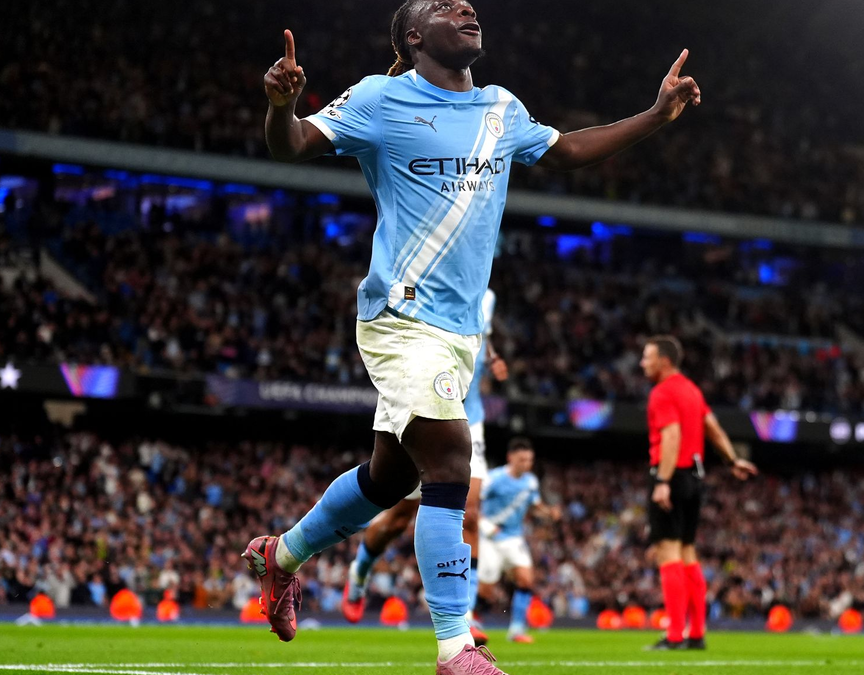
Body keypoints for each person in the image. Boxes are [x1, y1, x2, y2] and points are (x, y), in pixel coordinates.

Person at [250, 1, 700, 671]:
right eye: (443, 6)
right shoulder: (380, 99)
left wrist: (656, 115)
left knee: (387, 478)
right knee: (450, 460)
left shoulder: (501, 109)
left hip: (459, 332)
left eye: (465, 3)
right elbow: (291, 145)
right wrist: (281, 107)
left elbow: (569, 150)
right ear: (413, 36)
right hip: (402, 318)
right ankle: (455, 646)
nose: (464, 6)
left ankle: (281, 555)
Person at [342, 289, 506, 648]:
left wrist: (493, 357)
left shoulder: (486, 293)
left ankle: (466, 611)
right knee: (398, 518)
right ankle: (360, 571)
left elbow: (483, 331)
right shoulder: (429, 277)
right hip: (425, 402)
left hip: (470, 416)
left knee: (471, 513)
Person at [640, 336, 756, 650]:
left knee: (668, 552)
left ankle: (675, 634)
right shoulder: (692, 390)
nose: (642, 363)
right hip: (695, 476)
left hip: (672, 474)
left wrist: (662, 481)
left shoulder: (662, 392)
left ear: (664, 361)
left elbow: (672, 435)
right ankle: (697, 634)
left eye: (647, 357)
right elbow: (712, 427)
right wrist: (732, 460)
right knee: (688, 552)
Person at [476, 437, 559, 644]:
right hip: (491, 538)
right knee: (486, 589)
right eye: (522, 460)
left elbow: (535, 506)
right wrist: (484, 525)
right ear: (510, 458)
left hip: (514, 538)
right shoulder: (494, 479)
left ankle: (517, 629)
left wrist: (549, 513)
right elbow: (472, 503)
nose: (526, 464)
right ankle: (474, 623)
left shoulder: (530, 481)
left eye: (529, 460)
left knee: (526, 580)